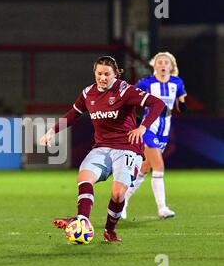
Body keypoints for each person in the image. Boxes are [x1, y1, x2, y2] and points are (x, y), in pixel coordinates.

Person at [40, 56, 165, 242]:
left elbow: (158, 104)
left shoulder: (124, 90)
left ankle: (109, 230)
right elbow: (73, 115)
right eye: (99, 73)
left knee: (118, 192)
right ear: (94, 73)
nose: (103, 77)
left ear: (115, 74)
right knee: (84, 177)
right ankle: (81, 220)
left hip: (127, 148)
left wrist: (142, 127)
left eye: (107, 74)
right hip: (101, 148)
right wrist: (51, 132)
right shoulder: (88, 93)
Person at [122, 52, 187, 220]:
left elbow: (181, 101)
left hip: (165, 127)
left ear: (171, 66)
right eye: (159, 62)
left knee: (144, 168)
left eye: (166, 62)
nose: (163, 65)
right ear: (154, 65)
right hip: (149, 126)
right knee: (159, 165)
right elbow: (131, 96)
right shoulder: (147, 83)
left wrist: (183, 105)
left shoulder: (177, 82)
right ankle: (162, 208)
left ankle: (121, 201)